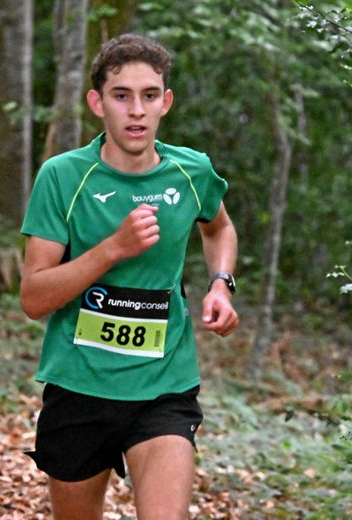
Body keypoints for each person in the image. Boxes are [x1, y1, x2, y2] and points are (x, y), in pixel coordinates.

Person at [20, 34, 239, 519]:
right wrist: (111, 251)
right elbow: (34, 298)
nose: (136, 110)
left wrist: (221, 283)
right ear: (97, 103)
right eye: (122, 96)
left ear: (166, 102)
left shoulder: (191, 171)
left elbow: (220, 227)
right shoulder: (62, 177)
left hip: (163, 389)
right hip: (79, 387)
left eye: (149, 95)